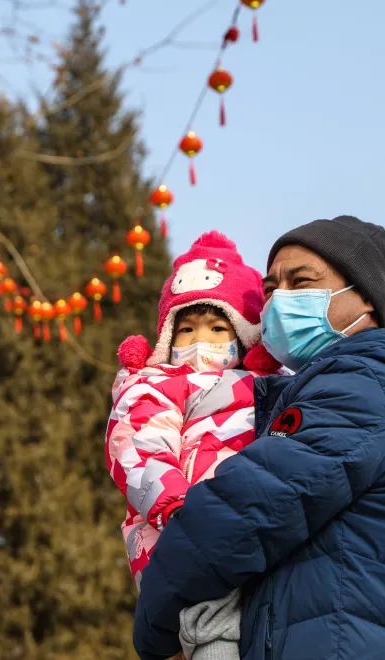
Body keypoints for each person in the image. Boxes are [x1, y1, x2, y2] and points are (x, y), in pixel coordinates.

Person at [131, 216, 385, 660]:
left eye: (301, 282)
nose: (279, 300)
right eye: (269, 290)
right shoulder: (355, 387)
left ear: (363, 298)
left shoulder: (361, 386)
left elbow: (247, 509)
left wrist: (154, 619)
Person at [106, 230, 281, 659]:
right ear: (167, 337)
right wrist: (178, 507)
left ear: (244, 336)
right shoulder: (154, 384)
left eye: (218, 327)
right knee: (213, 629)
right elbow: (137, 445)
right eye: (186, 329)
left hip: (252, 535)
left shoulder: (271, 388)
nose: (201, 341)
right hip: (181, 531)